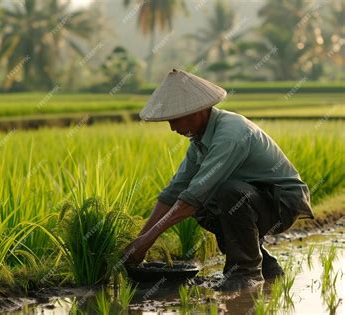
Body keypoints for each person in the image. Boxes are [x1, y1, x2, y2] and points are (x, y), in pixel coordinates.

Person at [123, 69, 314, 291]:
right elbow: (175, 191)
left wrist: (148, 240)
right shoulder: (199, 141)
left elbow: (194, 196)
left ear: (198, 111)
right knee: (205, 204)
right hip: (258, 201)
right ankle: (266, 265)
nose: (173, 128)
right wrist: (140, 239)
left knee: (226, 193)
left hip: (283, 204)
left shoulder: (230, 134)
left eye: (175, 119)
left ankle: (246, 273)